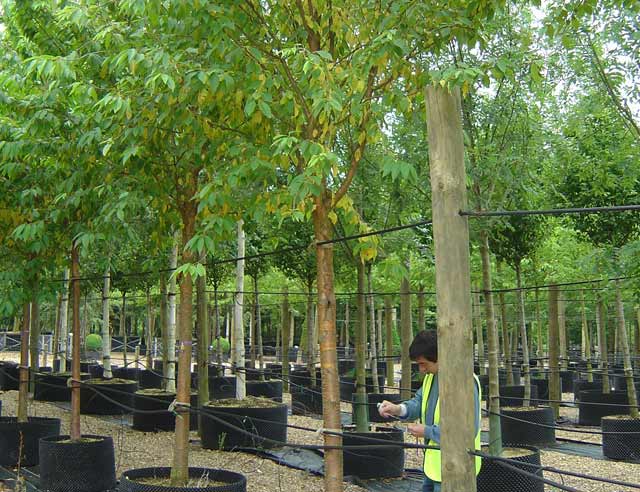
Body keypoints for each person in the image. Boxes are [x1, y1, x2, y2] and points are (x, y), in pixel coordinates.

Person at [378, 330, 481, 492]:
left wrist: (427, 431)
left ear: (440, 357)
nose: (421, 369)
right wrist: (397, 409)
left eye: (423, 364)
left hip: (456, 468)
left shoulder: (464, 382)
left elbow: (466, 431)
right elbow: (419, 402)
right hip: (433, 466)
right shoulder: (432, 377)